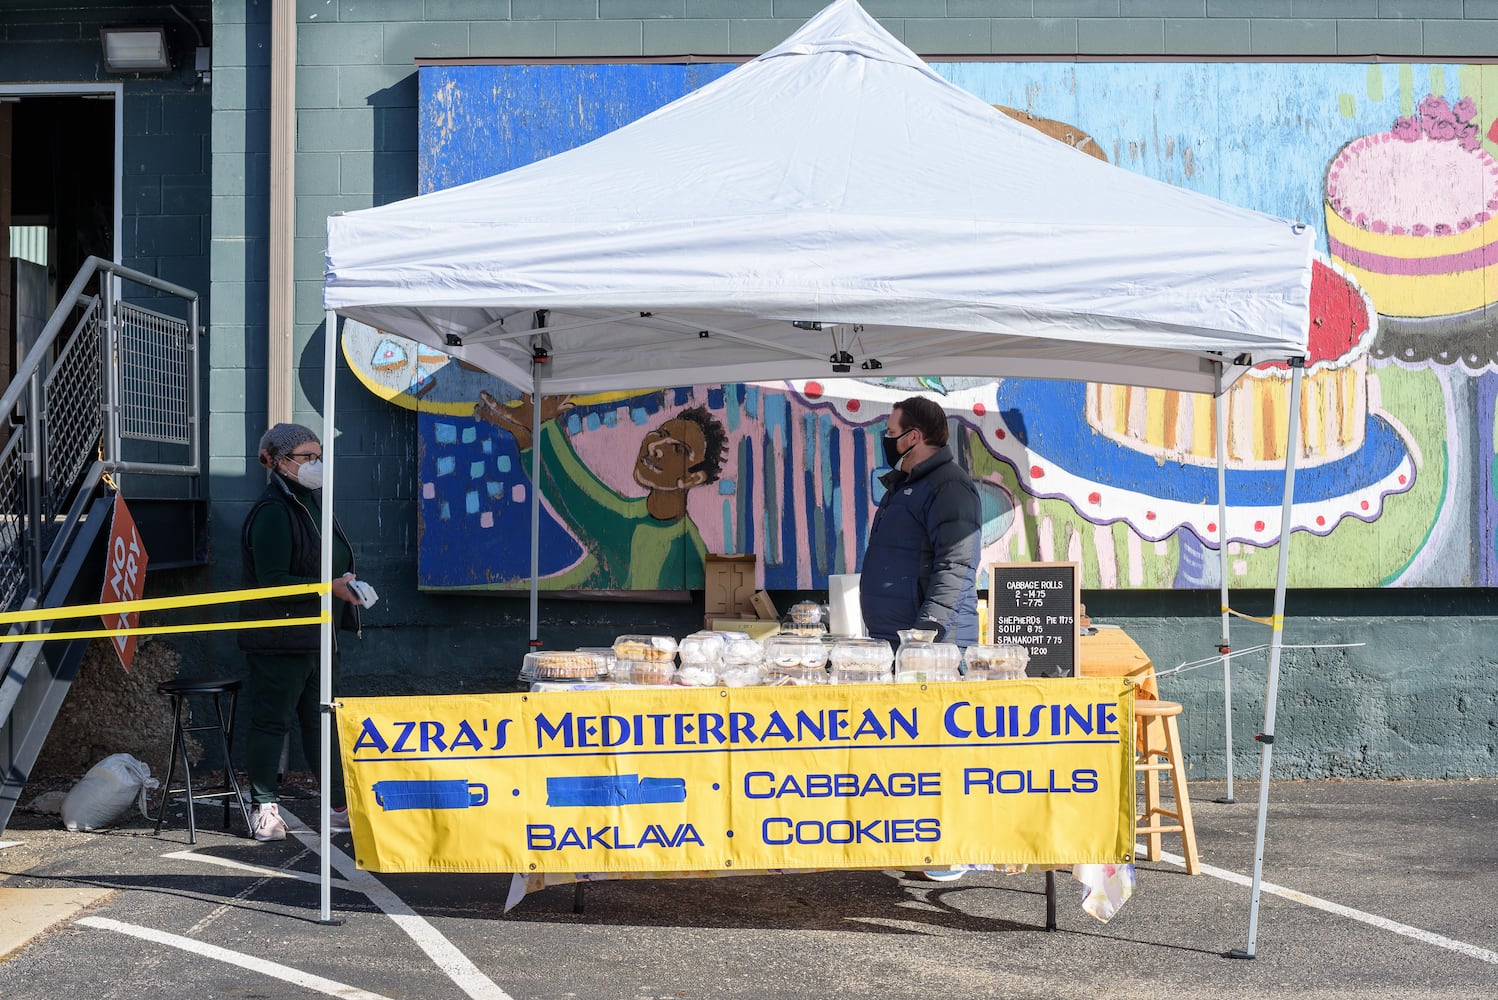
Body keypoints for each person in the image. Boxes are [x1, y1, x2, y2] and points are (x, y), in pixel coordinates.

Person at [238, 422, 362, 842]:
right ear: (278, 461)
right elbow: (271, 581)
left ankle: (337, 805)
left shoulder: (310, 502)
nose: (316, 463)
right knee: (273, 721)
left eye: (319, 455)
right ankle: (264, 807)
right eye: (306, 456)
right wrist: (332, 587)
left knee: (321, 721)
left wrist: (346, 584)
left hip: (319, 636)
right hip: (281, 638)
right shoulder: (274, 510)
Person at [473, 391, 728, 590]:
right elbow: (574, 496)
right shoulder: (640, 513)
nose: (657, 447)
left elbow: (582, 499)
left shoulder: (676, 545)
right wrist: (529, 441)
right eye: (660, 433)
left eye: (679, 449)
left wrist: (544, 428)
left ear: (692, 478)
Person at [860, 395, 982, 647]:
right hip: (900, 643)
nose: (887, 439)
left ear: (913, 437)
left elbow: (956, 566)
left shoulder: (949, 485)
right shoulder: (904, 484)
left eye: (892, 432)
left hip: (932, 647)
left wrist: (925, 633)